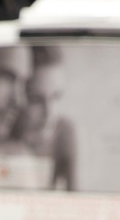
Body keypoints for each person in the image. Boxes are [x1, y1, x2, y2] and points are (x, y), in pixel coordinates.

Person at [19, 47, 77, 191]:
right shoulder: (0, 135)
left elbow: (75, 194)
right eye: (36, 99)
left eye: (56, 96)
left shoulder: (64, 130)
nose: (49, 113)